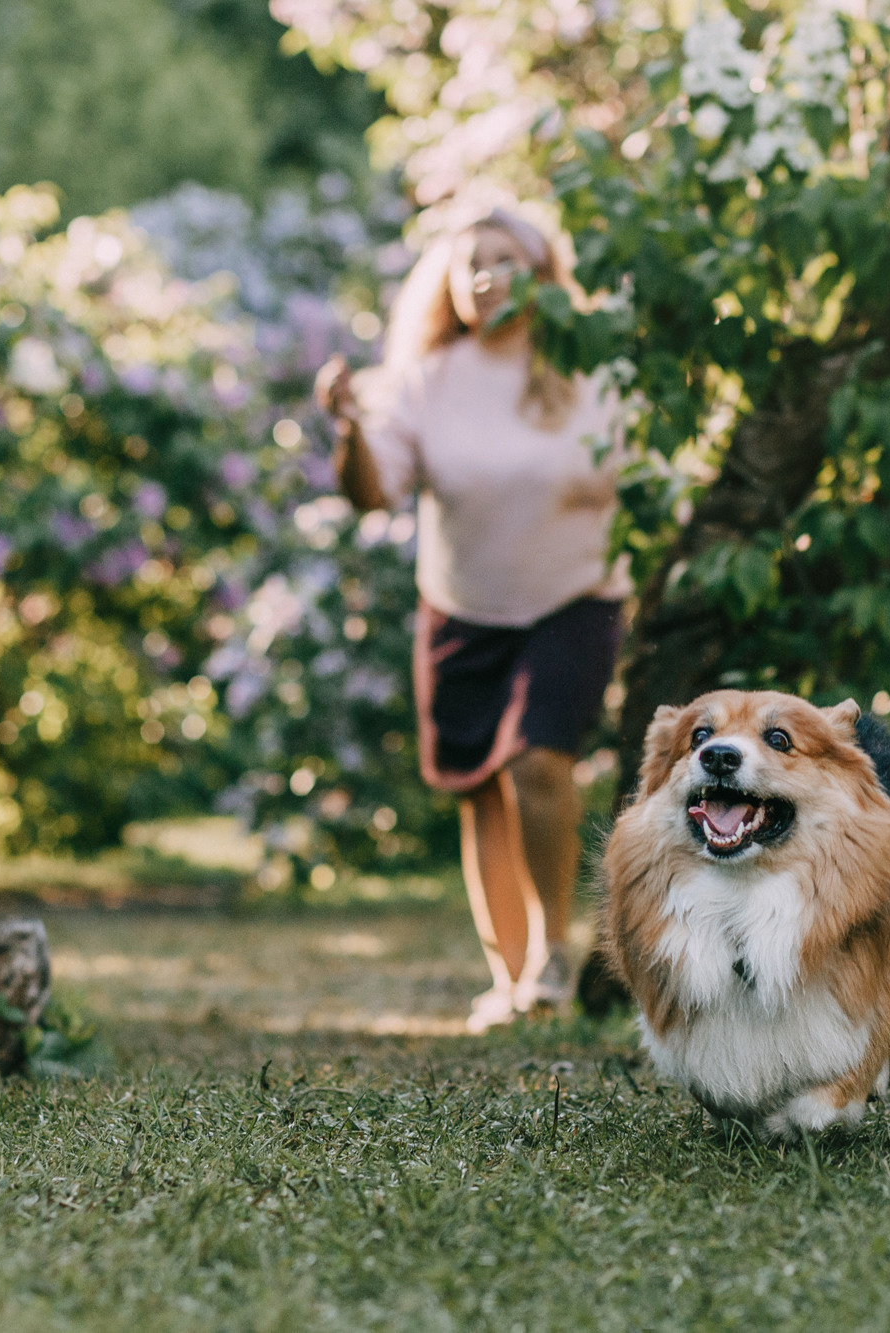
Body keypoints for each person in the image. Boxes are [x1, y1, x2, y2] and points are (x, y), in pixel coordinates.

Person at [315, 207, 627, 1032]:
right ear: (448, 284)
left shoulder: (586, 367)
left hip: (575, 594)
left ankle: (551, 956)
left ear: (542, 272)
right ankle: (508, 975)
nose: (486, 276)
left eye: (505, 258)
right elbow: (374, 491)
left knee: (536, 763)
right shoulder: (424, 379)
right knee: (478, 788)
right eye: (471, 264)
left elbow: (644, 472)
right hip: (464, 606)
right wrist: (348, 428)